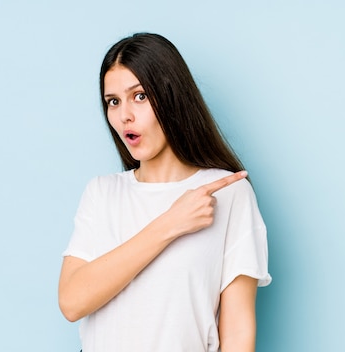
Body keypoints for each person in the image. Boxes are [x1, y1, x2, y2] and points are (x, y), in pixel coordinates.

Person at [58, 33, 271, 352]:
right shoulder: (102, 193)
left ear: (172, 96)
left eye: (139, 96)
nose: (124, 115)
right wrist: (170, 223)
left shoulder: (227, 194)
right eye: (113, 101)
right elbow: (72, 302)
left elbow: (238, 333)